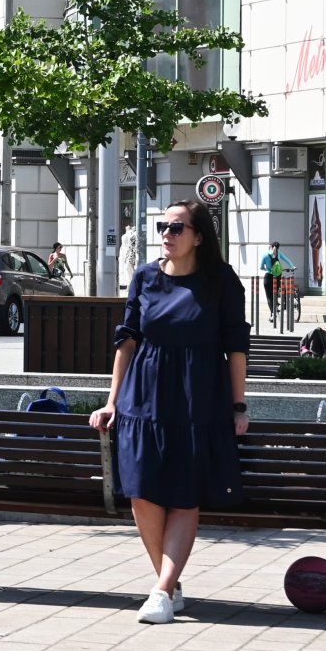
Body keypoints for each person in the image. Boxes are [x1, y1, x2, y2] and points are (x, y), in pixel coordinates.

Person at [90, 200, 250, 625]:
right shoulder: (144, 277)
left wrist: (238, 405)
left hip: (199, 399)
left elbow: (236, 348)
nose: (167, 233)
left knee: (183, 493)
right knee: (142, 489)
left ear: (199, 236)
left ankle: (161, 590)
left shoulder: (220, 281)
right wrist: (111, 401)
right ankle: (170, 581)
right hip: (143, 397)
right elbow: (127, 342)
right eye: (163, 226)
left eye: (177, 227)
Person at [260, 241, 294, 320]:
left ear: (271, 246)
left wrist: (267, 268)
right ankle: (281, 303)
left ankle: (272, 314)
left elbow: (261, 267)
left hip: (268, 277)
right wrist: (292, 266)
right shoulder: (279, 253)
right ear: (278, 247)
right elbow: (287, 260)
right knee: (276, 292)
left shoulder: (265, 255)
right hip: (277, 276)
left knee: (269, 296)